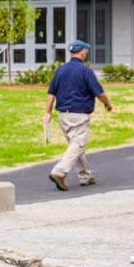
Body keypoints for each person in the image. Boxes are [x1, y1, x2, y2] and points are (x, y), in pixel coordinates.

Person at [44, 40, 112, 191]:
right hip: (79, 115)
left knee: (76, 146)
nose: (87, 53)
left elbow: (51, 93)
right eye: (86, 51)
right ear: (81, 52)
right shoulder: (85, 71)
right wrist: (107, 104)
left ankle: (85, 176)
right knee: (78, 145)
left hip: (63, 116)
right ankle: (58, 172)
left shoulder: (60, 70)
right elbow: (99, 93)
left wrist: (47, 112)